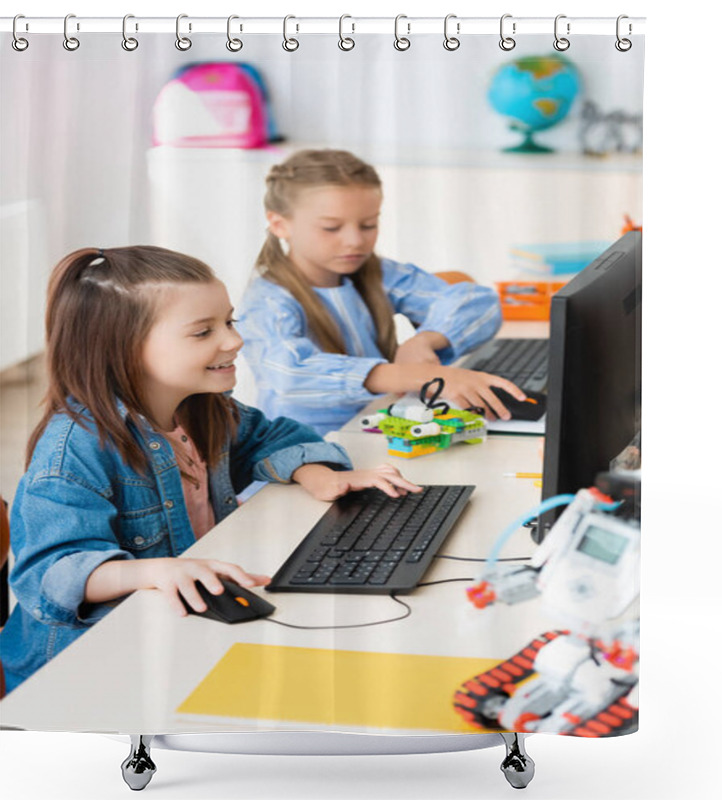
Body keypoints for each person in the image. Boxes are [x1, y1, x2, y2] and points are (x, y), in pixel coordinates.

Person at [0, 245, 418, 694]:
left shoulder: (203, 409)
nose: (234, 341)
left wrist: (319, 474)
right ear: (121, 348)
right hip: (81, 673)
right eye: (203, 332)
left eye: (229, 322)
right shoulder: (74, 449)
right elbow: (50, 574)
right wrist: (152, 571)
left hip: (179, 636)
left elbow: (270, 436)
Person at [237, 148, 527, 435]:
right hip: (307, 453)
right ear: (279, 224)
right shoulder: (268, 301)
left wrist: (424, 340)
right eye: (331, 227)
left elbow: (479, 303)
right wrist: (422, 376)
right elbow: (290, 374)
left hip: (379, 430)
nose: (354, 241)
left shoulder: (379, 274)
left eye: (368, 225)